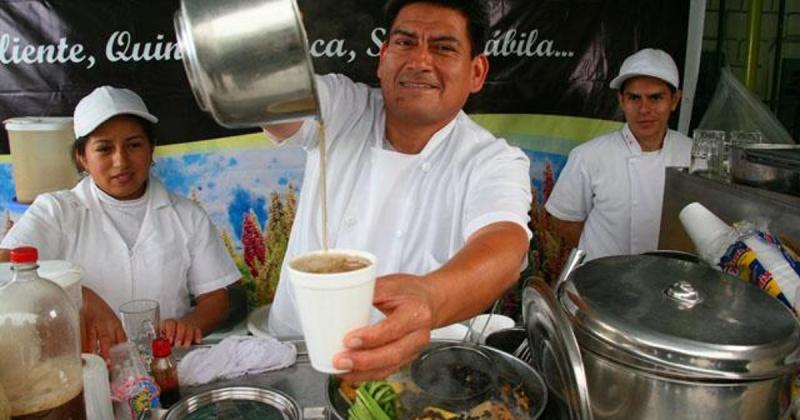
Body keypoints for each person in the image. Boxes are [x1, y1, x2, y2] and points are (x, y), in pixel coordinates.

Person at [264, 0, 532, 382]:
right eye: (405, 43)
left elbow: (505, 244)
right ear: (383, 57)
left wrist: (429, 298)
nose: (420, 61)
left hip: (417, 373)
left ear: (476, 72)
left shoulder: (491, 159)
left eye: (443, 47)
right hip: (300, 354)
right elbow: (269, 101)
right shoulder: (342, 108)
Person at [0, 86, 241, 357]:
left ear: (151, 148)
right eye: (104, 148)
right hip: (84, 367)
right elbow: (6, 263)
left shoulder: (187, 215)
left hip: (165, 364)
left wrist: (188, 325)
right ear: (82, 158)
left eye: (134, 145)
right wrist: (80, 294)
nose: (121, 161)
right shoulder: (57, 211)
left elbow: (215, 298)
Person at [545, 48, 692, 261]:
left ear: (675, 100)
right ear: (621, 100)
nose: (644, 109)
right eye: (634, 98)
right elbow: (565, 221)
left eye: (656, 98)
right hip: (601, 282)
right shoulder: (588, 156)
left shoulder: (692, 154)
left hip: (667, 281)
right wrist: (599, 254)